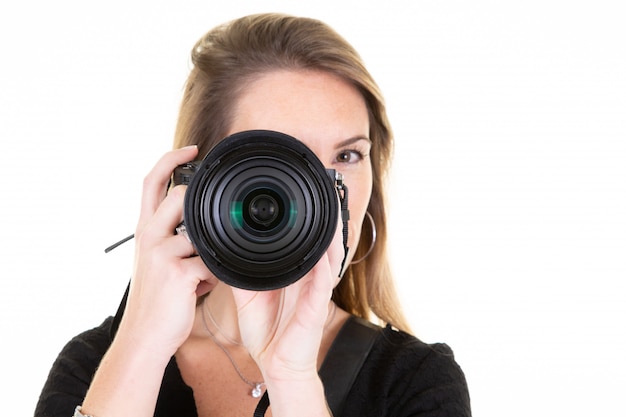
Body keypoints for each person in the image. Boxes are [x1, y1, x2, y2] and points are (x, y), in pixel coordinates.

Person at [35, 13, 471, 417]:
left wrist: (292, 378)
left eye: (348, 154)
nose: (320, 192)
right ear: (198, 178)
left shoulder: (416, 382)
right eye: (283, 158)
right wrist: (141, 344)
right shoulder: (96, 366)